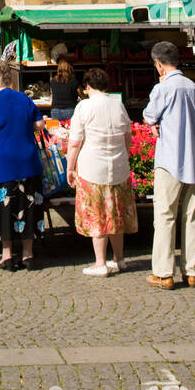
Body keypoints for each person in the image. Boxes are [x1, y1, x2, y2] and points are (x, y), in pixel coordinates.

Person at [143, 41, 195, 290]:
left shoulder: (164, 87)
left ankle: (163, 273)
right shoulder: (192, 86)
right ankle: (193, 271)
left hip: (170, 158)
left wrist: (154, 122)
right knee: (193, 216)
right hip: (193, 158)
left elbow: (149, 115)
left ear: (159, 64)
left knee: (165, 215)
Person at [0, 58, 45, 271]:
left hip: (2, 163)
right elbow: (40, 124)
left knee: (4, 207)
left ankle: (6, 256)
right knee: (28, 205)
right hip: (27, 161)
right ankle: (28, 254)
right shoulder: (24, 99)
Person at [66, 67, 137, 277]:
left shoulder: (84, 107)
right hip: (119, 167)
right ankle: (120, 258)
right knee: (116, 214)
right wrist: (123, 156)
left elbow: (75, 142)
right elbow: (127, 137)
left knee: (97, 214)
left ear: (87, 87)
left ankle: (100, 263)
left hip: (92, 167)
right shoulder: (118, 105)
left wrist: (70, 167)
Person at [48, 54, 79, 121]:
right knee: (69, 129)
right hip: (70, 109)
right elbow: (80, 92)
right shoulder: (73, 81)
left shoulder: (53, 81)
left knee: (56, 130)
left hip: (55, 110)